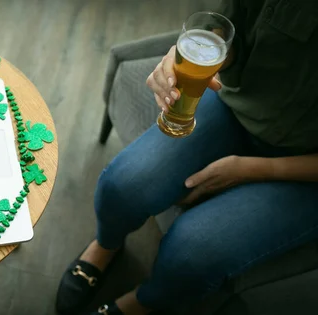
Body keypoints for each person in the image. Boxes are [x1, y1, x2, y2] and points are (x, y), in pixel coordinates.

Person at [55, 0, 318, 314]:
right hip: (239, 108)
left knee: (190, 253)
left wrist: (253, 169)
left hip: (308, 175)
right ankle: (106, 245)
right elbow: (229, 28)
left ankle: (143, 303)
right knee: (122, 185)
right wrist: (190, 57)